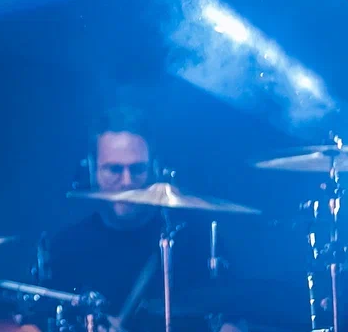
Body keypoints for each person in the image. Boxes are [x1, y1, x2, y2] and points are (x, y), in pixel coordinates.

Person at [40, 107, 244, 332]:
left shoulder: (195, 240)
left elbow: (233, 318)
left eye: (137, 169)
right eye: (114, 170)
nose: (127, 181)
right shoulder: (67, 246)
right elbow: (39, 320)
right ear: (91, 169)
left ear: (154, 168)